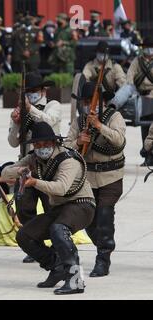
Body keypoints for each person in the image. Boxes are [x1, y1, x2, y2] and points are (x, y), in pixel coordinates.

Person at [0, 122, 95, 295]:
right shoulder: (33, 159)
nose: (42, 148)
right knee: (24, 235)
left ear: (54, 143)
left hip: (82, 205)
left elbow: (61, 188)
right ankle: (57, 266)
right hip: (60, 208)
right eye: (37, 145)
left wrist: (35, 182)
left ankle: (75, 280)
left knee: (58, 229)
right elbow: (5, 173)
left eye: (46, 144)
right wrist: (21, 170)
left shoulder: (68, 159)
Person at [67, 81, 126, 277]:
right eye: (84, 101)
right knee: (90, 221)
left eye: (91, 101)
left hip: (111, 176)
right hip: (88, 177)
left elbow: (119, 141)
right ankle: (101, 244)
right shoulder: (79, 121)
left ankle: (103, 259)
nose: (87, 105)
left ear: (101, 102)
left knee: (104, 217)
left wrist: (99, 126)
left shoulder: (114, 117)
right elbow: (66, 147)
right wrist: (78, 142)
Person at [8, 72, 61, 262]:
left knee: (52, 207)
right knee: (24, 207)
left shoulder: (52, 106)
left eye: (34, 91)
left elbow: (49, 122)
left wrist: (30, 110)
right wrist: (16, 123)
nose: (31, 94)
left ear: (43, 90)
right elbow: (13, 142)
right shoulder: (22, 110)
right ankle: (35, 244)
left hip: (50, 165)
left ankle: (58, 245)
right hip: (28, 165)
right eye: (27, 92)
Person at [110, 35, 153, 166]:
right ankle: (147, 157)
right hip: (140, 96)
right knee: (145, 128)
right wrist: (132, 91)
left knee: (151, 128)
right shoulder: (137, 61)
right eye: (146, 48)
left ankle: (149, 154)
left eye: (151, 48)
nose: (149, 50)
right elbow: (129, 77)